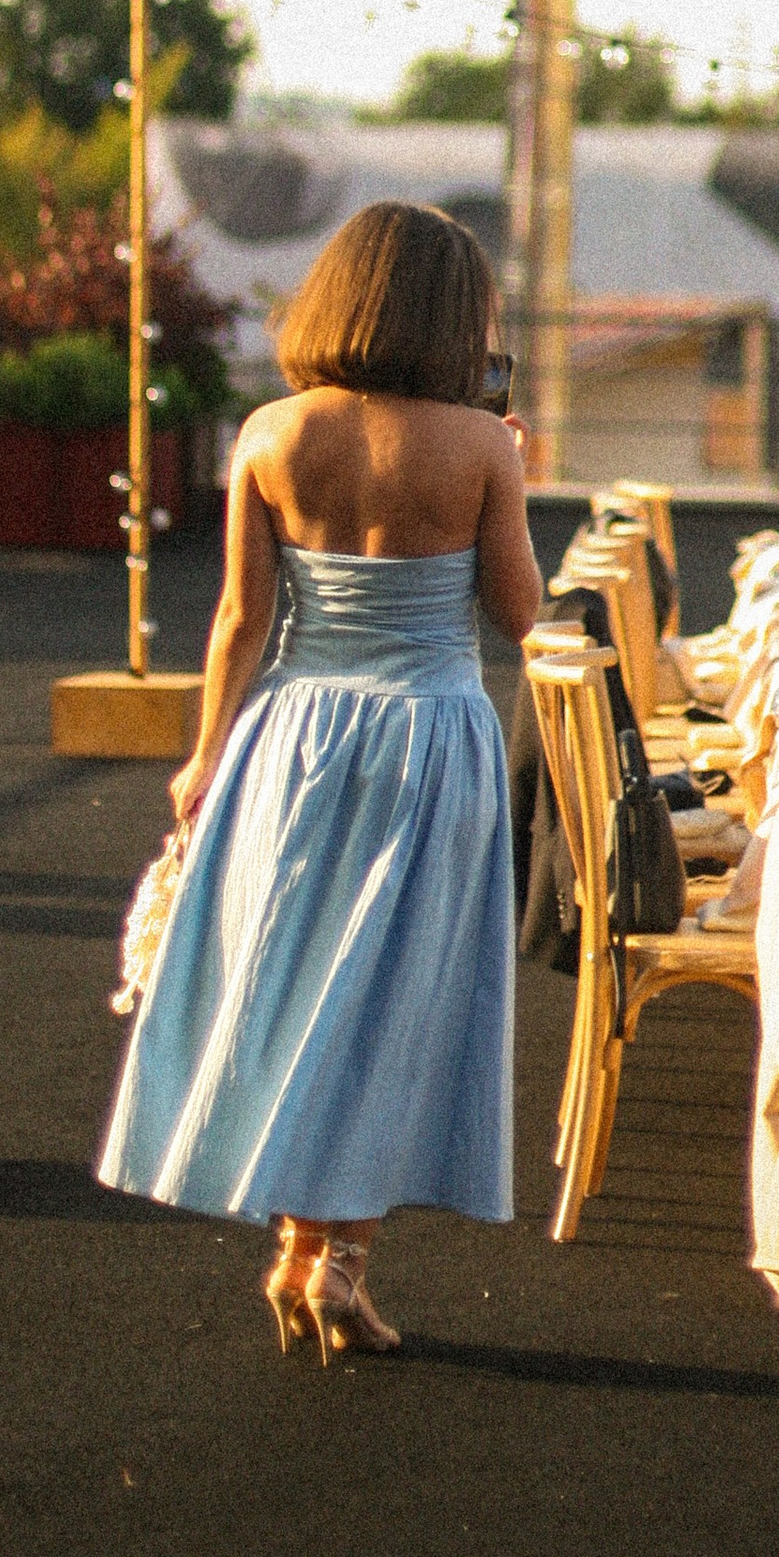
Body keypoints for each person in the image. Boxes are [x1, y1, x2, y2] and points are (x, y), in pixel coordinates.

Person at [96, 204, 541, 1364]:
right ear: (454, 320)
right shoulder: (479, 445)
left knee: (302, 997)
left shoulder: (271, 434)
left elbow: (241, 619)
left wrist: (205, 755)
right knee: (390, 1007)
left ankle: (308, 1252)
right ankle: (335, 1263)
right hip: (431, 742)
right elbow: (516, 613)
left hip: (290, 737)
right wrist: (515, 477)